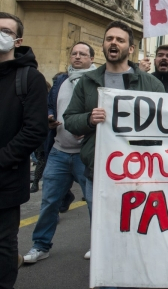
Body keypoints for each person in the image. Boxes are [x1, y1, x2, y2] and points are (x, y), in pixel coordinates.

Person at [63, 21, 164, 263]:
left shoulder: (150, 84)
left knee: (139, 227)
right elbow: (70, 120)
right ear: (103, 45)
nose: (113, 43)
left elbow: (166, 123)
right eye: (109, 39)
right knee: (103, 229)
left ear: (131, 48)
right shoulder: (88, 81)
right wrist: (89, 119)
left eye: (120, 40)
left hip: (140, 172)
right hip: (97, 171)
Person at [23, 42, 97, 264]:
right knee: (49, 202)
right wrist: (49, 117)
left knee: (94, 204)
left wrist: (89, 130)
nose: (77, 57)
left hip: (85, 156)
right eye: (74, 53)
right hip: (58, 151)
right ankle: (40, 246)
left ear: (92, 59)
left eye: (82, 54)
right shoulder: (60, 82)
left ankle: (98, 245)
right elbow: (48, 105)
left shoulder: (96, 83)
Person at [0, 12, 48, 288]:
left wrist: (3, 158)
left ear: (17, 40)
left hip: (6, 179)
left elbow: (34, 130)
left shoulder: (29, 79)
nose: (1, 35)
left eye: (6, 31)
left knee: (3, 245)